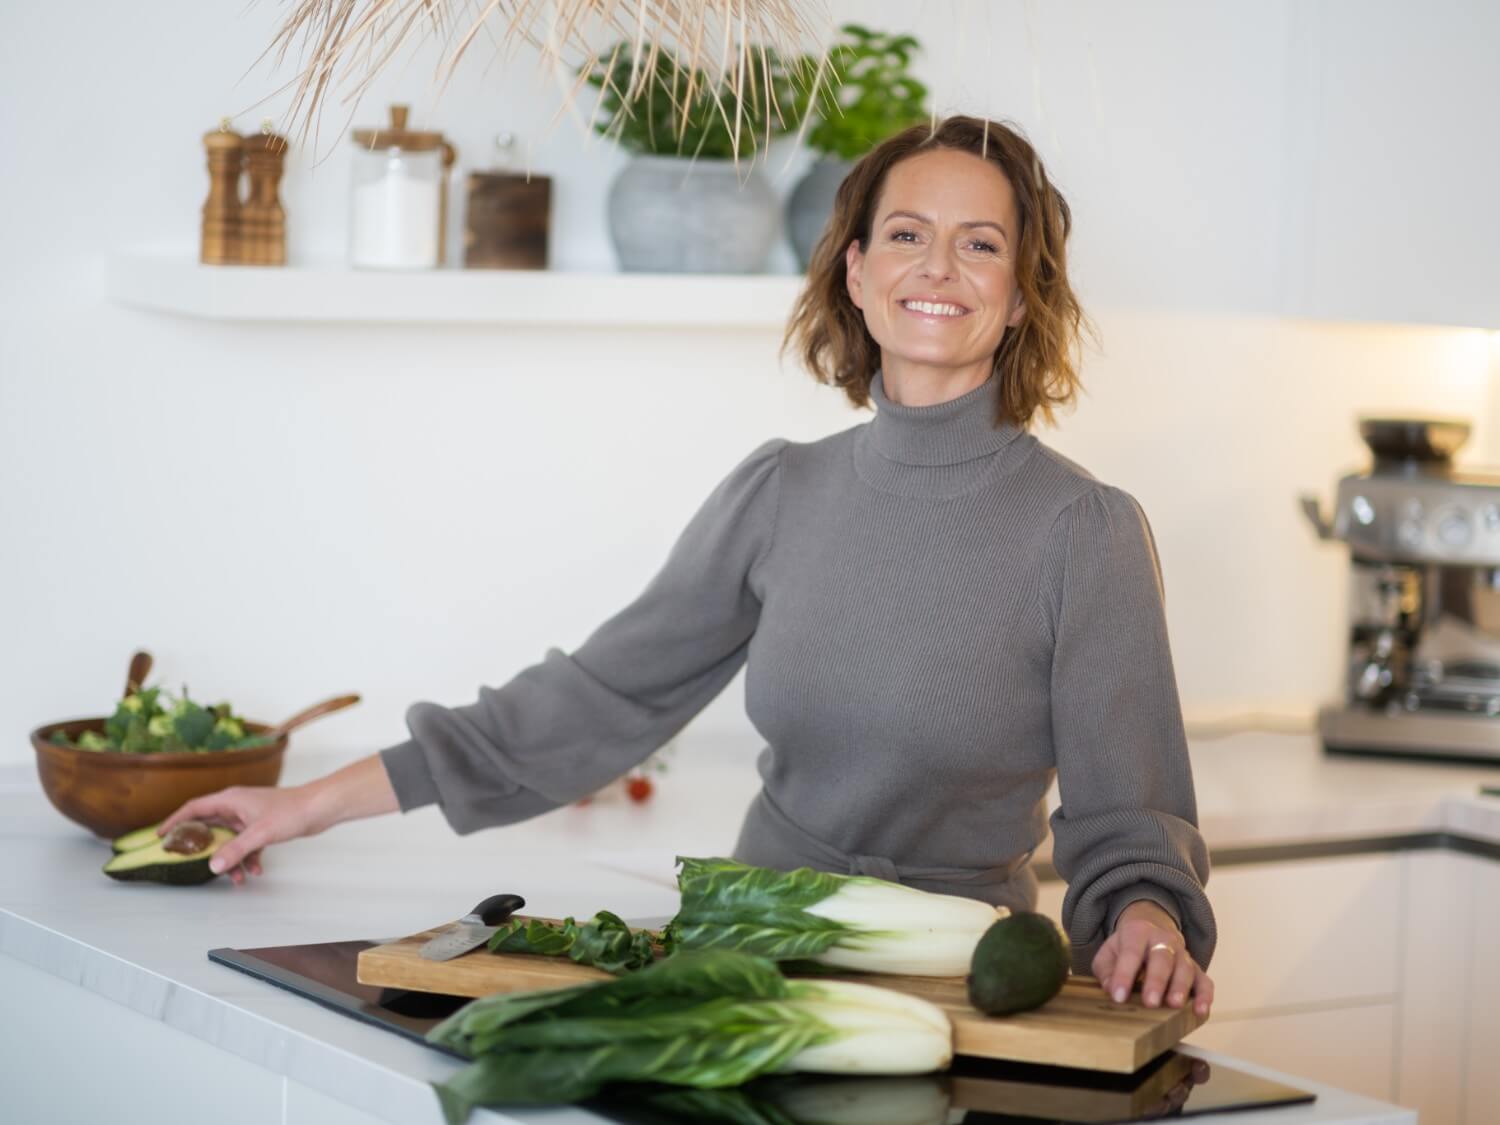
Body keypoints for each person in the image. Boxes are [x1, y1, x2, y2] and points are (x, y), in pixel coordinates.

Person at [163, 115, 1216, 1017]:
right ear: (856, 271)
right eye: (906, 235)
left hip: (957, 988)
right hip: (742, 959)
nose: (937, 268)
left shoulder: (1087, 530)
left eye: (980, 245)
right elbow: (595, 701)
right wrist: (299, 807)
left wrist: (1149, 920)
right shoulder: (781, 492)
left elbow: (1132, 821)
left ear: (1023, 295)